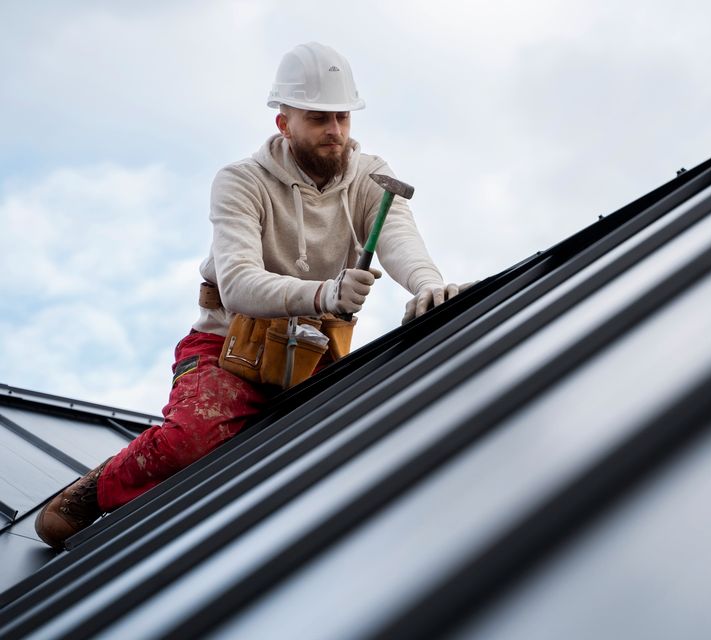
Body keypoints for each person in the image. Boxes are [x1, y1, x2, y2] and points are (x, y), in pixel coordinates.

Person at [35, 42, 465, 550]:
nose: (336, 132)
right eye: (319, 118)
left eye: (343, 117)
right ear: (284, 124)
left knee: (363, 438)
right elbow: (238, 283)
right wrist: (325, 293)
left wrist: (428, 284)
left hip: (309, 354)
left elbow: (399, 238)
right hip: (225, 350)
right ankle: (94, 490)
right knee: (191, 440)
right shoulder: (241, 182)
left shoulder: (369, 178)